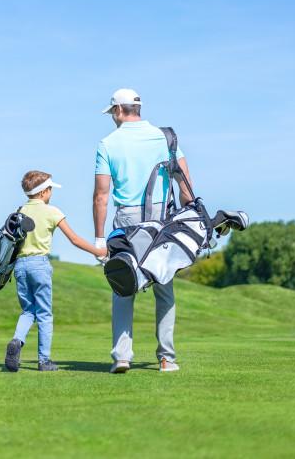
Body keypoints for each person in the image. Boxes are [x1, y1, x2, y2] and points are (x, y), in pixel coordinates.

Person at [93, 88, 194, 374]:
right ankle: (166, 358)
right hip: (161, 218)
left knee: (123, 285)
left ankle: (122, 357)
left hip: (127, 220)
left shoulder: (108, 143)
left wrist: (100, 238)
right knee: (164, 286)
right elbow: (185, 183)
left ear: (117, 111)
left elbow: (101, 195)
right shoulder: (164, 137)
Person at [4, 170, 107, 372]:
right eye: (50, 189)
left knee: (28, 310)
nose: (51, 193)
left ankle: (17, 340)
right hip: (40, 265)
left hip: (20, 266)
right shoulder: (52, 212)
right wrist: (98, 251)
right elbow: (75, 239)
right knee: (44, 313)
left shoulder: (20, 211)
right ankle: (44, 361)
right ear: (43, 192)